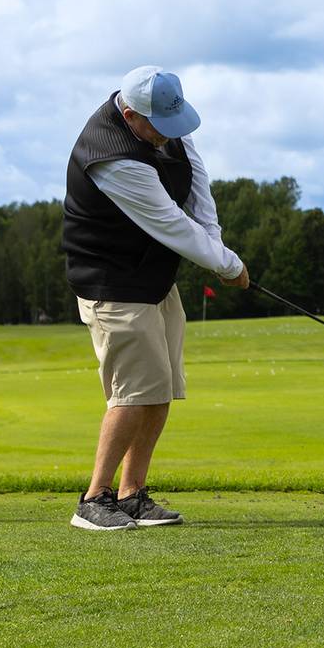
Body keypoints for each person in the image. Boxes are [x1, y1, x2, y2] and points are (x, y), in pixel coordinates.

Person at [62, 66, 249, 531]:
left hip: (154, 280)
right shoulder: (112, 157)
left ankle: (131, 495)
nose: (169, 137)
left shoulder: (161, 125)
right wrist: (227, 265)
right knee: (133, 394)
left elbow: (197, 187)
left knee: (161, 389)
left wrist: (219, 242)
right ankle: (94, 499)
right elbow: (170, 223)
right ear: (129, 114)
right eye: (160, 130)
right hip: (113, 283)